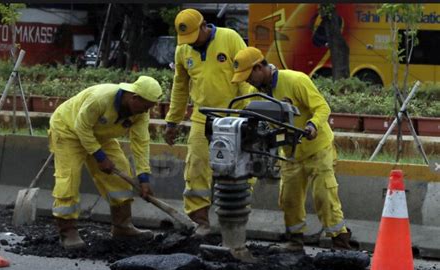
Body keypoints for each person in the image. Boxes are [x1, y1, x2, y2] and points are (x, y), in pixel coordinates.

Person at [231, 47, 352, 251]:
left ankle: (340, 241)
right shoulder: (255, 95)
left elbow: (322, 107)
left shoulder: (296, 81)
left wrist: (312, 125)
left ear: (259, 67)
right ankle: (295, 240)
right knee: (289, 198)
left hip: (317, 148)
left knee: (324, 195)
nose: (247, 81)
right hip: (289, 154)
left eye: (248, 75)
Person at [164, 8, 253, 236]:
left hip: (234, 116)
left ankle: (234, 222)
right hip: (202, 117)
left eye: (194, 37)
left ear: (204, 26)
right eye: (186, 40)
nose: (191, 44)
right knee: (196, 168)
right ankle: (200, 221)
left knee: (237, 170)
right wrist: (172, 121)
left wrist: (251, 111)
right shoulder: (183, 50)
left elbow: (245, 76)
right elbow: (180, 87)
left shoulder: (229, 38)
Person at [48, 76, 163, 250]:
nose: (147, 111)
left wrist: (144, 177)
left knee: (121, 174)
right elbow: (82, 127)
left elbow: (141, 143)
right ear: (134, 97)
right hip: (68, 130)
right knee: (69, 179)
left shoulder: (140, 113)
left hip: (99, 135)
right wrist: (100, 157)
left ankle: (122, 226)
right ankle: (67, 231)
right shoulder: (100, 99)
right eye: (146, 106)